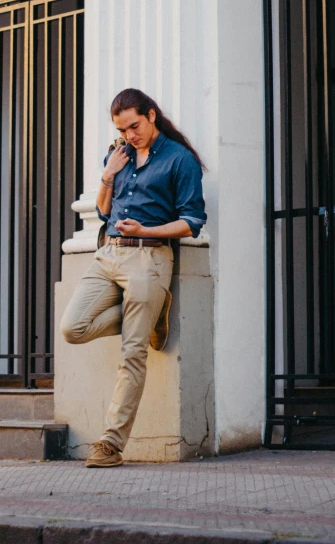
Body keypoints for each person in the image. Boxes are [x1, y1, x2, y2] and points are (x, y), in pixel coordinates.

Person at [60, 88, 207, 467]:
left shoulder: (179, 160)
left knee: (132, 353)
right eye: (123, 129)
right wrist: (107, 175)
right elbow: (102, 209)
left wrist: (148, 229)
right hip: (107, 253)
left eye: (135, 126)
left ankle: (110, 444)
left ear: (152, 115)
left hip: (149, 258)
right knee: (72, 328)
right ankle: (150, 312)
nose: (130, 135)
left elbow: (192, 223)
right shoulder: (118, 153)